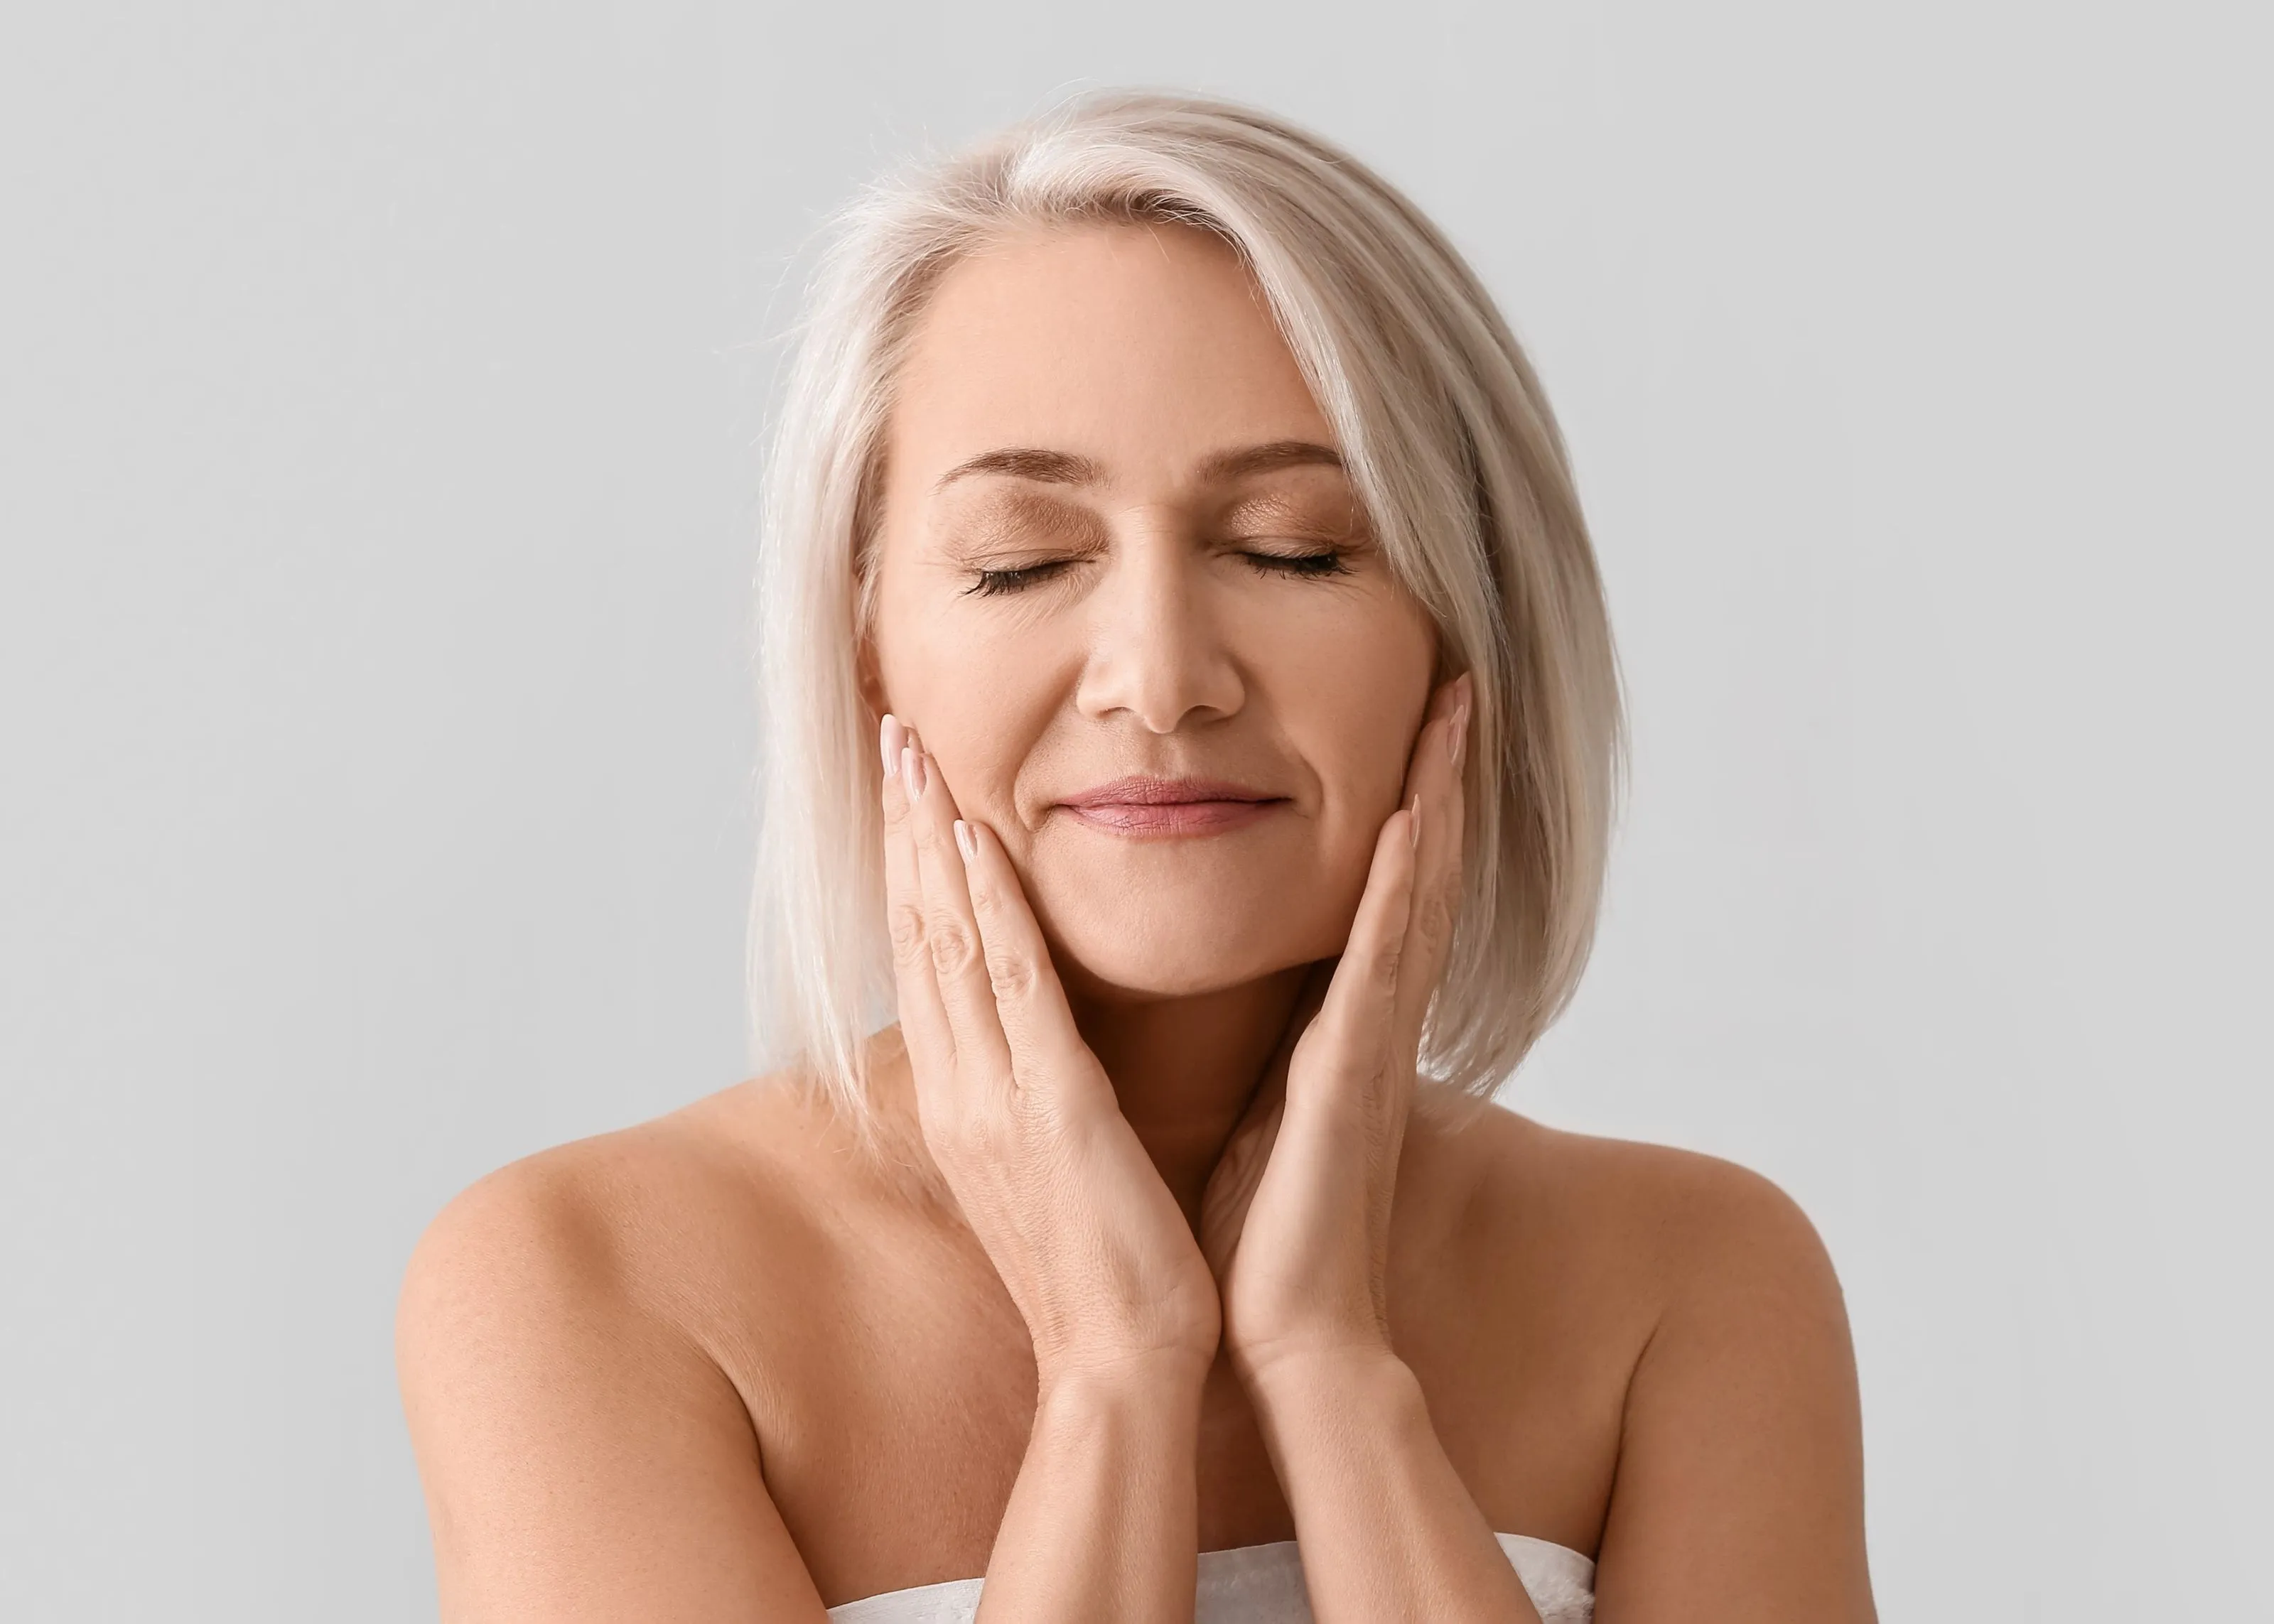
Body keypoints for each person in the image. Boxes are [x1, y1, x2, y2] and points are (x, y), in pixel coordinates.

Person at [396, 91, 1876, 1623]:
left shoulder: (1694, 1284)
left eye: (1295, 547)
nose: (1160, 678)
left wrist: (1330, 1368)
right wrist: (1115, 1368)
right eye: (1022, 562)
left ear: (1467, 630)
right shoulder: (590, 1287)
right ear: (866, 648)